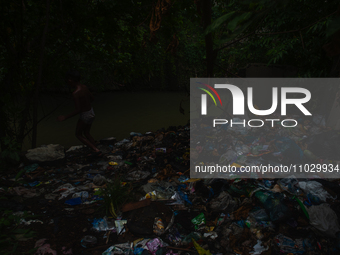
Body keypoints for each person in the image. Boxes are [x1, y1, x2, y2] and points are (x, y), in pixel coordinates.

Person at [57, 70, 101, 154]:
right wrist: (86, 104)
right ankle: (95, 146)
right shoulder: (84, 87)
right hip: (91, 112)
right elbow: (92, 99)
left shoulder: (76, 93)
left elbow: (78, 110)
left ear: (70, 80)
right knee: (87, 133)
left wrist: (65, 117)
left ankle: (95, 149)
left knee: (78, 134)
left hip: (85, 115)